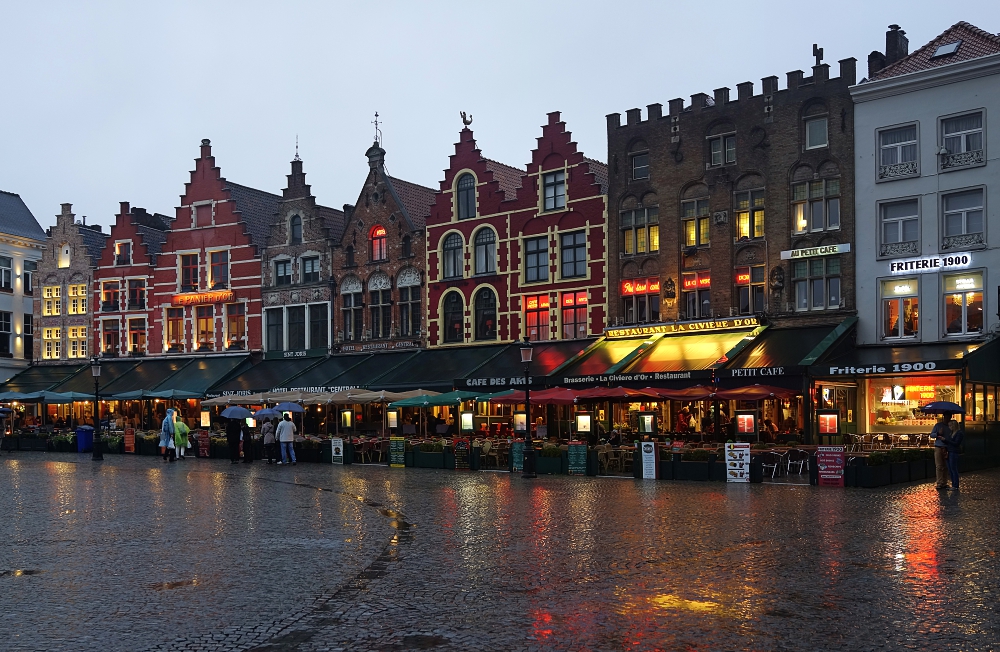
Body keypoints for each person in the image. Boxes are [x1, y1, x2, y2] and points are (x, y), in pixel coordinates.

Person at [931, 412, 952, 490]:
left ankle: (944, 482)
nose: (947, 419)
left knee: (945, 466)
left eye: (948, 417)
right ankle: (939, 483)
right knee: (939, 466)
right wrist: (938, 433)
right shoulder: (938, 425)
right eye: (946, 417)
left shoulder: (950, 426)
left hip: (947, 447)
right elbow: (932, 435)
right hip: (939, 447)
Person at [944, 419, 964, 490]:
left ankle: (955, 485)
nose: (949, 427)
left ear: (953, 426)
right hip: (949, 451)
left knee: (953, 468)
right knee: (950, 469)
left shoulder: (959, 433)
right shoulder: (951, 433)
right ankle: (953, 484)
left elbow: (956, 443)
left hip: (954, 452)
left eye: (950, 425)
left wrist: (946, 440)